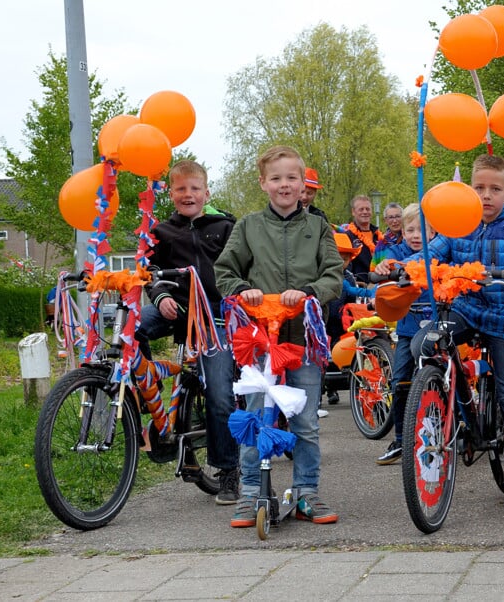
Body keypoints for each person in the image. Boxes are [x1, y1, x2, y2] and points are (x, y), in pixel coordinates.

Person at [374, 153, 504, 508]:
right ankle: (447, 408)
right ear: (469, 191)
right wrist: (396, 266)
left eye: (495, 189)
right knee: (424, 344)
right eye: (479, 188)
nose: (486, 195)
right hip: (465, 308)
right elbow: (430, 254)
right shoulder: (459, 224)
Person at [215, 145, 344, 528]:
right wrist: (242, 289)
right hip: (258, 342)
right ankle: (251, 492)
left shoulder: (318, 227)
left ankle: (307, 491)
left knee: (305, 421)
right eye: (276, 178)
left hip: (300, 340)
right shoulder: (248, 227)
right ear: (263, 184)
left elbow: (333, 275)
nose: (284, 185)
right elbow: (224, 271)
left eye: (292, 178)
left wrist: (309, 293)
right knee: (255, 415)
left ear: (303, 183)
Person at [133, 159, 241, 506]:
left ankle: (227, 469)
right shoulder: (161, 231)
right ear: (171, 193)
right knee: (131, 331)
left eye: (195, 188)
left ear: (207, 192)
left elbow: (241, 266)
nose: (188, 194)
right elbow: (149, 270)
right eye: (180, 188)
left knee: (221, 393)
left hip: (214, 318)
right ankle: (147, 392)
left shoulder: (224, 227)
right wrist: (161, 294)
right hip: (176, 307)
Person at [375, 203, 435, 465]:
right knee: (399, 381)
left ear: (433, 233)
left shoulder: (439, 254)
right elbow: (385, 267)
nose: (416, 235)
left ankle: (450, 429)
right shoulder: (398, 252)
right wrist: (383, 268)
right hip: (408, 328)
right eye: (410, 229)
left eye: (422, 230)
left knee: (441, 378)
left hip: (435, 327)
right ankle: (400, 438)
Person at [339, 195, 383, 283]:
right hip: (359, 287)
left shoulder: (379, 236)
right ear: (353, 212)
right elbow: (344, 266)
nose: (365, 212)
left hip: (381, 282)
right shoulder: (347, 236)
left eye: (368, 209)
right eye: (361, 209)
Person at [371, 202, 404, 270]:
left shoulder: (410, 240)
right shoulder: (381, 244)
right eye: (391, 217)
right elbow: (373, 269)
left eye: (398, 216)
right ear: (386, 220)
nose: (395, 221)